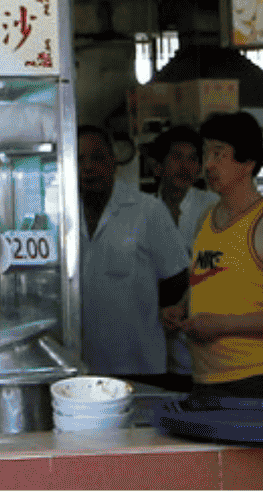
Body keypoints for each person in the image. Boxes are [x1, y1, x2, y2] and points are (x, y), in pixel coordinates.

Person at [163, 112, 263, 399]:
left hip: (261, 382)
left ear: (247, 163)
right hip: (206, 382)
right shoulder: (206, 218)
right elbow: (207, 278)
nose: (208, 165)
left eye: (219, 155)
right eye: (206, 154)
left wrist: (222, 325)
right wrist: (182, 307)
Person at [77, 124, 190, 384]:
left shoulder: (148, 211)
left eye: (97, 157)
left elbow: (178, 277)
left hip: (138, 364)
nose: (88, 167)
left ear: (113, 162)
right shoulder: (61, 215)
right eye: (80, 160)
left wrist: (146, 306)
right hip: (81, 367)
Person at [151, 124, 218, 383]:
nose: (185, 166)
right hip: (157, 343)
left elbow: (216, 269)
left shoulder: (211, 208)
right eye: (177, 157)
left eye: (192, 159)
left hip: (205, 343)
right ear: (158, 166)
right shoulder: (144, 212)